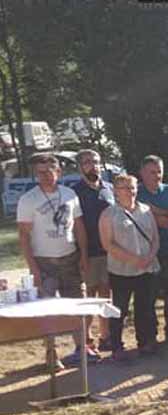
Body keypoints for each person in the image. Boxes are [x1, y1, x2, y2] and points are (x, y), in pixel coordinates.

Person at [17, 153, 94, 367]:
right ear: (35, 173)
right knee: (47, 309)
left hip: (70, 258)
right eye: (41, 172)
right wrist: (34, 269)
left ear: (59, 172)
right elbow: (23, 235)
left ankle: (82, 348)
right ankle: (51, 354)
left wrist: (84, 255)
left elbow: (79, 226)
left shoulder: (69, 194)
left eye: (50, 171)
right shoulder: (28, 200)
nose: (46, 176)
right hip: (44, 261)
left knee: (77, 305)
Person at [99, 174, 160, 360]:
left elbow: (155, 238)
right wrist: (133, 259)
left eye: (133, 187)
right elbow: (107, 244)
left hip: (147, 269)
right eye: (125, 188)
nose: (130, 191)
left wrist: (149, 256)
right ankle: (117, 346)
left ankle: (145, 343)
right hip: (121, 271)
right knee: (120, 309)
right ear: (116, 191)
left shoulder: (146, 210)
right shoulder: (109, 214)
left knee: (145, 308)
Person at [137, 155, 168, 344]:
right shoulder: (137, 193)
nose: (156, 175)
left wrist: (160, 212)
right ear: (142, 173)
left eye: (159, 171)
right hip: (148, 253)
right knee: (148, 296)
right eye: (152, 172)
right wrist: (156, 220)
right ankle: (150, 336)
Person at [73, 149, 114, 351]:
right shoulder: (74, 193)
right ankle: (86, 341)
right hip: (87, 254)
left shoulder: (110, 188)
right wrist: (81, 255)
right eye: (88, 162)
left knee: (106, 297)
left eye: (96, 161)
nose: (93, 165)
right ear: (80, 167)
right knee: (87, 298)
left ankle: (106, 337)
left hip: (109, 253)